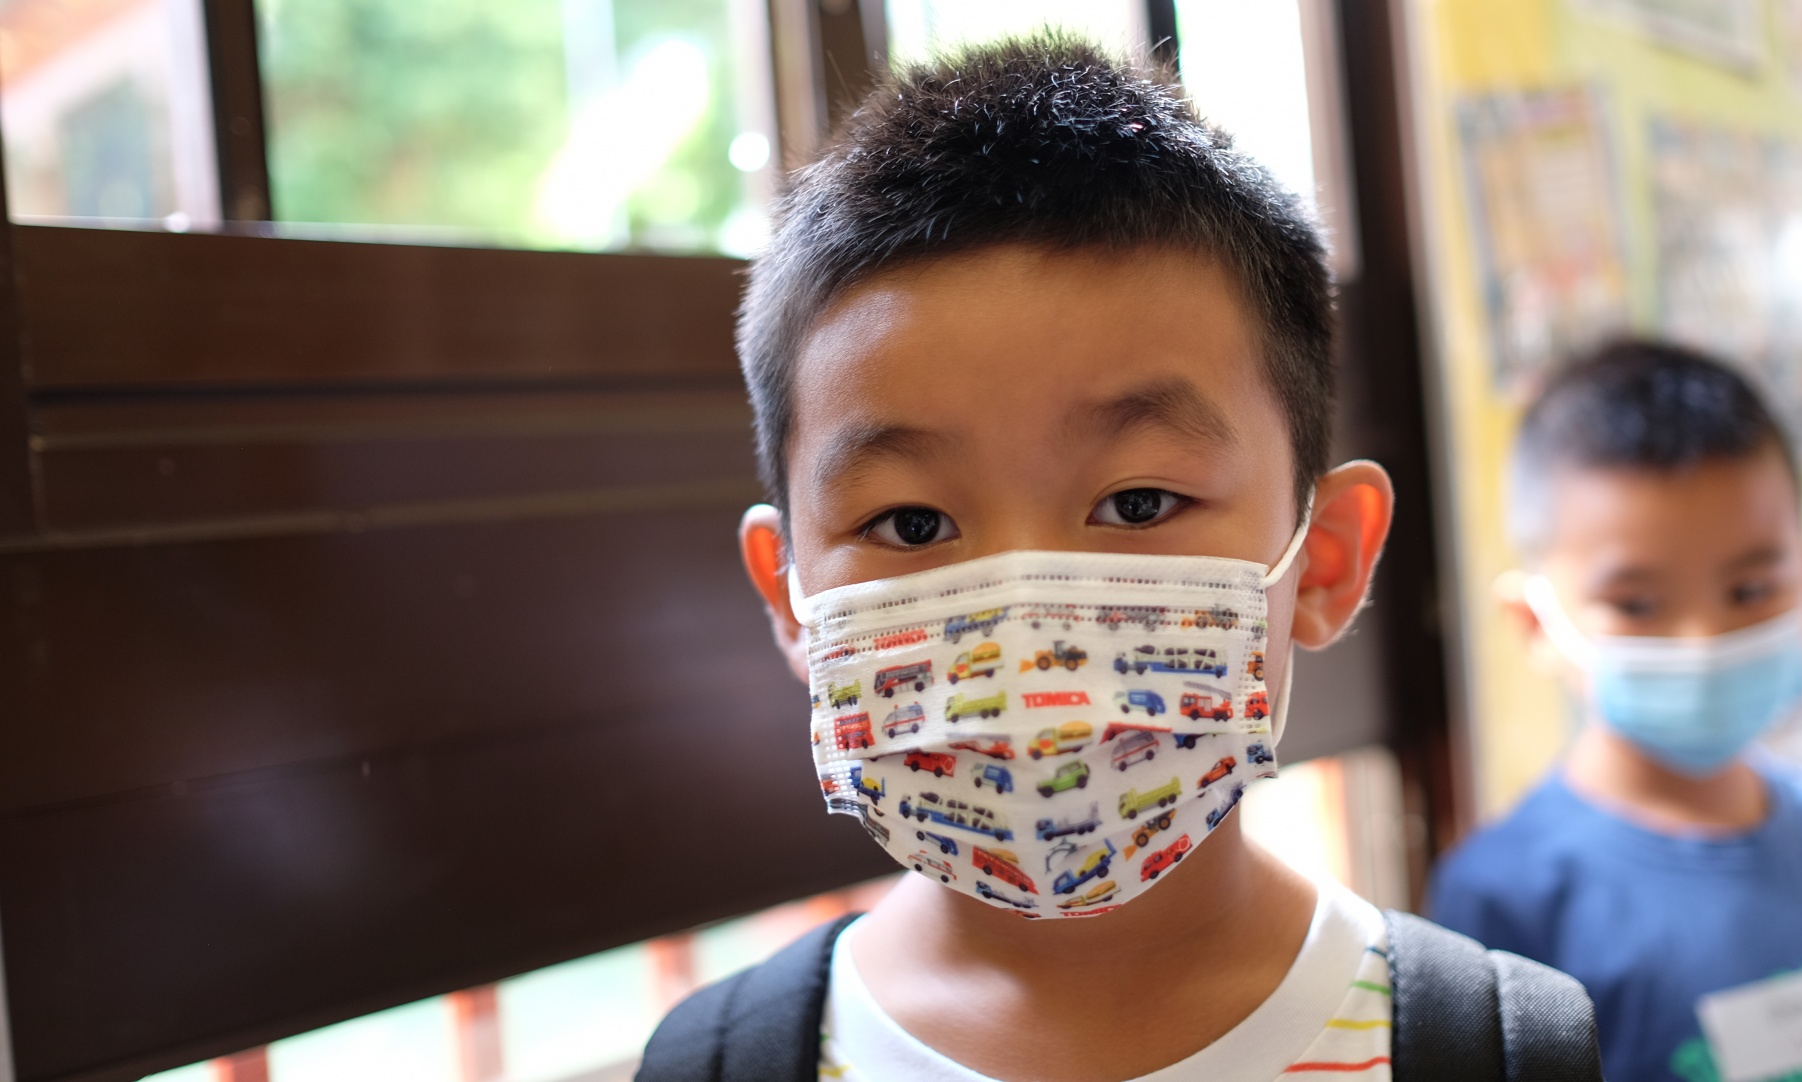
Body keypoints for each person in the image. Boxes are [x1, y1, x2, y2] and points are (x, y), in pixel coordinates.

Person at [638, 35, 1597, 1082]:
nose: (1023, 624)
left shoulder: (1497, 1050)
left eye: (1136, 503)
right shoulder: (715, 1065)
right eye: (911, 524)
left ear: (1322, 561)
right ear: (790, 600)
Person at [1427, 340, 1802, 1082]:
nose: (1702, 640)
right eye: (1637, 604)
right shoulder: (1506, 898)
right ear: (1534, 624)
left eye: (1749, 591)